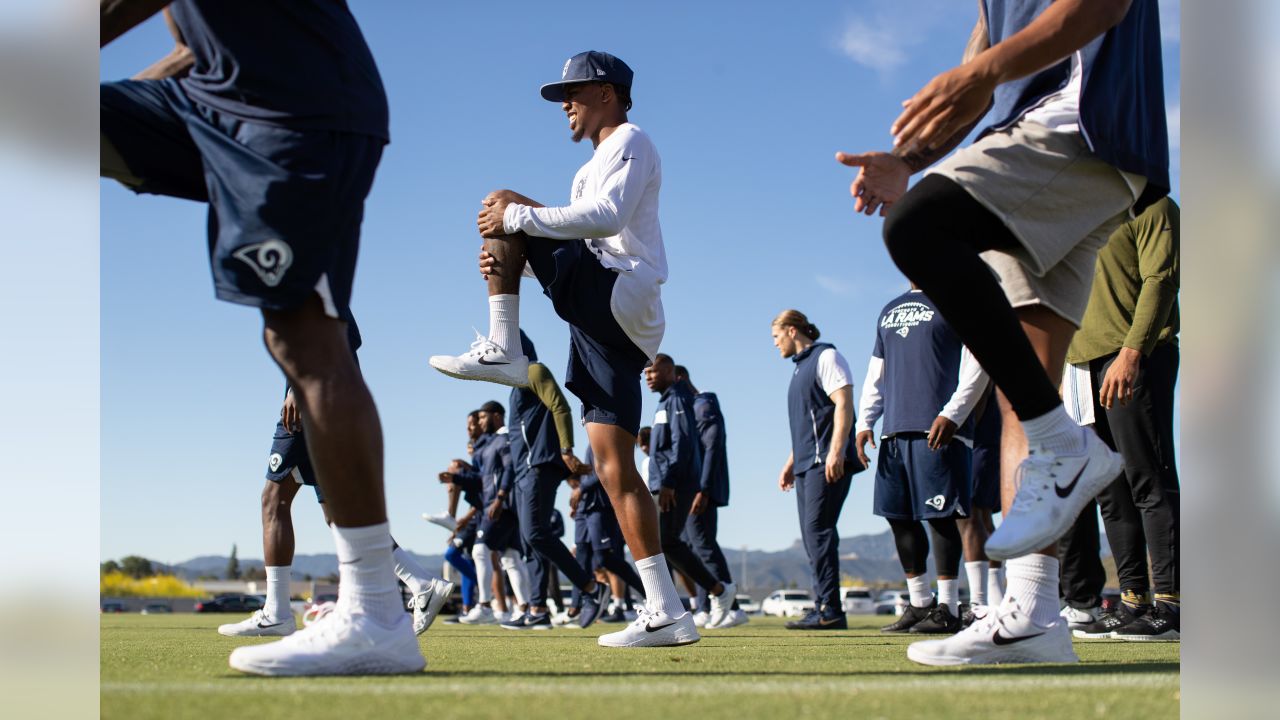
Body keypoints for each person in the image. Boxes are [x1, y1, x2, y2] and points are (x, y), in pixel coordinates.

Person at [837, 0, 1168, 665]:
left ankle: (1067, 443)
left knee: (918, 228)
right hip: (1062, 155)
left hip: (1080, 131)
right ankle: (1033, 616)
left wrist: (981, 75)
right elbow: (975, 71)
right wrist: (910, 156)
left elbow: (1099, 7)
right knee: (1025, 381)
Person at [100, 1, 422, 675]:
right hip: (211, 105)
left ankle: (377, 612)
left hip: (298, 113)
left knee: (303, 339)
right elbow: (199, 50)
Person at [430, 50, 696, 648]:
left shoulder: (631, 137)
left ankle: (502, 344)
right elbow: (574, 226)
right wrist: (515, 262)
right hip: (609, 323)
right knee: (614, 469)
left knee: (501, 201)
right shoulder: (587, 167)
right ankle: (668, 611)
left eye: (573, 93)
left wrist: (517, 221)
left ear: (607, 91)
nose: (565, 106)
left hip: (621, 294)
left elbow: (606, 218)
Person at [1058, 198, 1180, 641]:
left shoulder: (1154, 206)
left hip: (1134, 356)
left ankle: (1172, 603)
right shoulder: (1087, 207)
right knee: (1112, 490)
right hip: (1081, 366)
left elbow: (1161, 279)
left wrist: (1132, 354)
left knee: (1148, 479)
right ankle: (1134, 600)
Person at [855, 286, 988, 635]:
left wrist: (954, 415)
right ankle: (920, 604)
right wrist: (865, 421)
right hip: (894, 431)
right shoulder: (889, 309)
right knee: (898, 517)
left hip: (939, 428)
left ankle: (948, 607)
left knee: (941, 517)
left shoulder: (957, 301)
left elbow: (978, 365)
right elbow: (876, 374)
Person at [501, 331, 612, 630]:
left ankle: (591, 588)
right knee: (530, 540)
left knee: (537, 534)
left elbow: (560, 406)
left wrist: (566, 451)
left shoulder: (532, 370)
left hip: (540, 466)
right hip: (524, 471)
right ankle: (537, 609)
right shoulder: (514, 384)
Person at [771, 310, 864, 630]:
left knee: (819, 533)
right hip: (806, 463)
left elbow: (844, 402)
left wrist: (836, 450)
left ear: (793, 330)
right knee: (812, 538)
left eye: (776, 336)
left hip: (825, 461)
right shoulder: (798, 370)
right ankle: (824, 605)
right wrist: (789, 463)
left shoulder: (827, 357)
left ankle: (830, 610)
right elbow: (809, 425)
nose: (775, 344)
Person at [645, 355, 738, 626]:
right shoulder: (666, 401)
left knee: (667, 543)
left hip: (674, 484)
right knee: (666, 544)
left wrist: (669, 482)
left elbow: (682, 443)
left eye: (653, 370)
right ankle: (670, 604)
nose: (648, 376)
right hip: (666, 483)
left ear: (671, 371)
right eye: (646, 372)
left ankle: (716, 591)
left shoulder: (676, 399)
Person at [673, 365, 747, 630]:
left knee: (702, 545)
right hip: (694, 487)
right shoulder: (692, 406)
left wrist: (702, 488)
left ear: (679, 378)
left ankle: (733, 608)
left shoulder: (703, 405)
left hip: (700, 489)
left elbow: (711, 447)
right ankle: (705, 607)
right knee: (693, 545)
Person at [459, 402, 533, 624]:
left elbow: (511, 468)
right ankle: (525, 609)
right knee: (511, 558)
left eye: (483, 417)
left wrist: (500, 497)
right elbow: (484, 478)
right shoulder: (491, 443)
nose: (480, 422)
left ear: (497, 416)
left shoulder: (505, 439)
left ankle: (484, 606)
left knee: (480, 551)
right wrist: (455, 478)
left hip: (503, 506)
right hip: (501, 505)